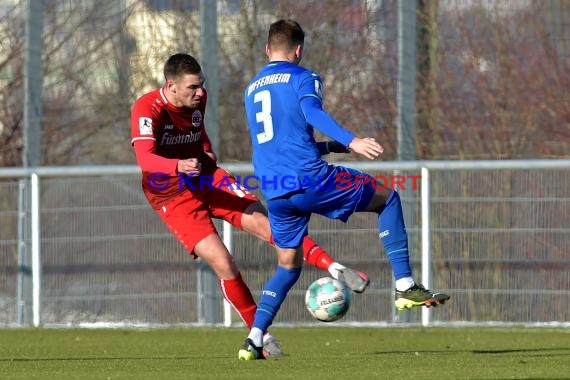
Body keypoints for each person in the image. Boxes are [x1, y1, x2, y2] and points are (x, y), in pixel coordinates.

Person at [130, 53, 370, 358]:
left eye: (201, 85)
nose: (200, 92)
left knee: (271, 227)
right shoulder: (146, 108)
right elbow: (145, 159)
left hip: (207, 179)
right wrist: (178, 166)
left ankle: (334, 267)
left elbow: (199, 135)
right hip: (171, 195)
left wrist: (207, 152)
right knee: (224, 263)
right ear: (171, 86)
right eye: (193, 87)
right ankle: (261, 337)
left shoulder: (197, 102)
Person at [238, 19, 450, 360]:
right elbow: (310, 110)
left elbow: (281, 142)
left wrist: (329, 147)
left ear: (267, 50)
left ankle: (255, 338)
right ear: (298, 50)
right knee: (388, 197)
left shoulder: (251, 89)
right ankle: (405, 286)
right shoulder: (303, 77)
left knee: (288, 266)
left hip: (275, 188)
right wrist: (353, 140)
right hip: (310, 179)